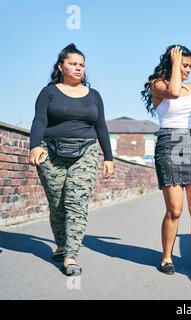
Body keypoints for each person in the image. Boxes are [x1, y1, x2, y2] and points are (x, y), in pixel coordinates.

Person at [29, 44, 114, 276]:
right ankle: (61, 245)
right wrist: (34, 145)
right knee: (57, 204)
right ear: (61, 66)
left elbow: (101, 127)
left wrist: (108, 157)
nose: (78, 68)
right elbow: (39, 121)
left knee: (76, 202)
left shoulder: (94, 95)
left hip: (85, 152)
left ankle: (71, 256)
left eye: (82, 65)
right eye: (73, 64)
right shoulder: (49, 92)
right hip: (51, 152)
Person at [141, 45, 191, 282]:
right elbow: (174, 92)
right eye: (185, 65)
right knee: (175, 210)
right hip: (168, 144)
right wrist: (176, 64)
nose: (187, 70)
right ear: (173, 62)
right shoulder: (158, 84)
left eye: (189, 66)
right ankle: (166, 257)